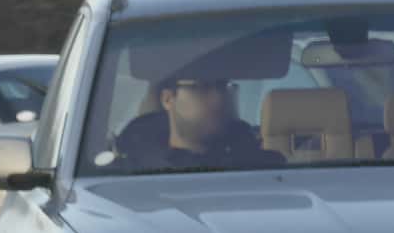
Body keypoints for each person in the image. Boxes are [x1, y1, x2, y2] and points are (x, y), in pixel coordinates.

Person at [114, 72, 282, 172]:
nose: (218, 98)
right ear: (168, 99)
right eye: (202, 87)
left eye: (222, 86)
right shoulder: (130, 170)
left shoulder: (264, 168)